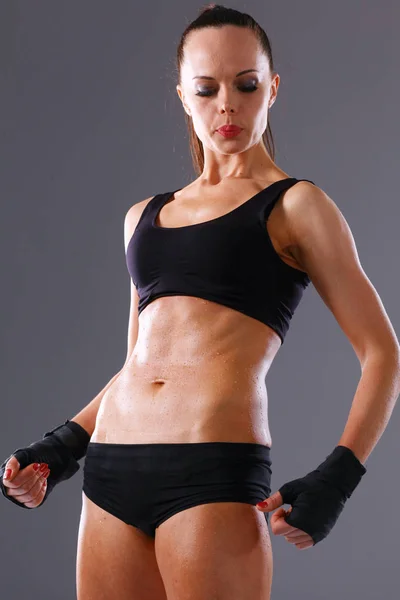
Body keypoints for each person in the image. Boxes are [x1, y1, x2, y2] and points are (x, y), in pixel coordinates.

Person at [2, 4, 399, 600]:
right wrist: (63, 447)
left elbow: (383, 353)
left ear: (273, 89)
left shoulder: (297, 206)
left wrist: (339, 476)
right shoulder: (142, 217)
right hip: (110, 471)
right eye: (206, 89)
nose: (227, 106)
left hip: (210, 473)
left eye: (247, 85)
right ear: (184, 96)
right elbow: (140, 362)